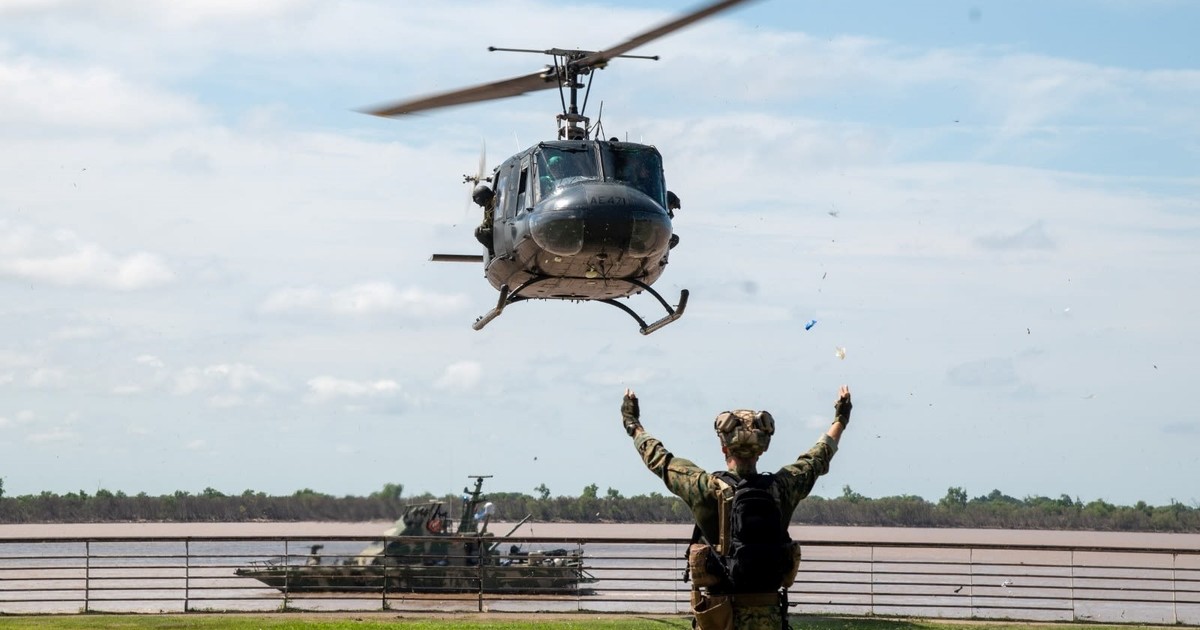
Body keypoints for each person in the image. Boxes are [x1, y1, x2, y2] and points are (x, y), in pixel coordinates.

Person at [621, 385, 853, 630]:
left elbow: (659, 459)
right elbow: (818, 457)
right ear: (763, 449)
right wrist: (841, 417)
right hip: (770, 619)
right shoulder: (783, 487)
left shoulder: (703, 488)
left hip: (721, 619)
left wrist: (632, 421)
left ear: (724, 447)